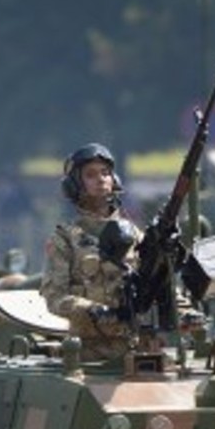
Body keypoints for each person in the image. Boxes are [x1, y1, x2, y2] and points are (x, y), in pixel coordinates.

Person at [40, 143, 139, 361]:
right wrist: (94, 310)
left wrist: (184, 310)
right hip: (86, 355)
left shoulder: (133, 234)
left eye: (105, 173)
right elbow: (54, 297)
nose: (101, 179)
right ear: (75, 185)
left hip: (135, 351)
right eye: (90, 175)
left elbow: (159, 281)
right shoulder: (65, 238)